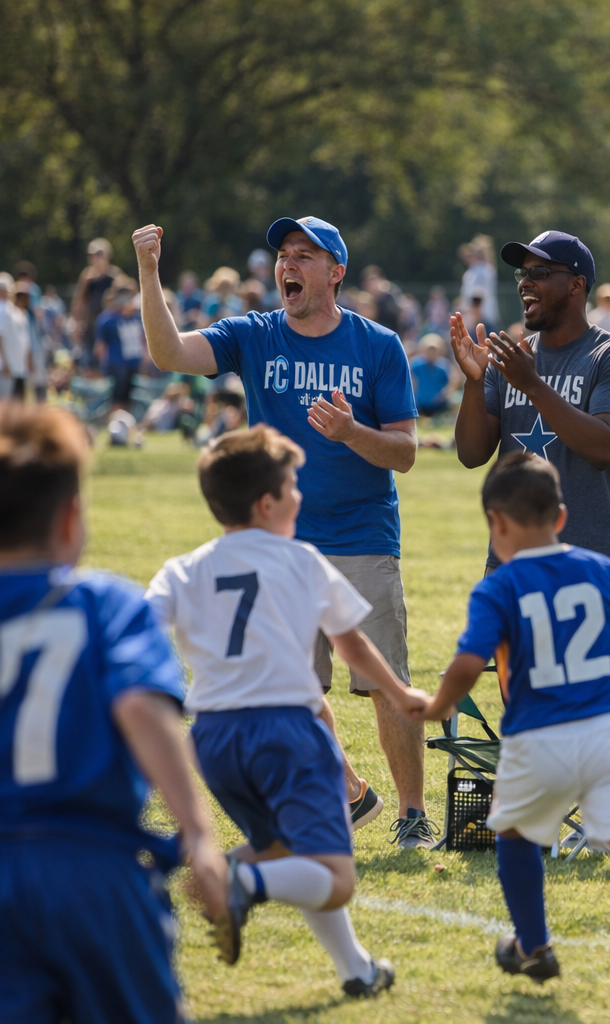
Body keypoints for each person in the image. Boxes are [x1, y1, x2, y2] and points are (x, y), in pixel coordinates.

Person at [132, 215, 431, 847]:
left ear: (336, 272)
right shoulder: (255, 335)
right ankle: (350, 795)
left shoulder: (377, 346)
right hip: (282, 544)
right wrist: (150, 271)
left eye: (304, 255)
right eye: (283, 256)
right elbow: (168, 354)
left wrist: (352, 434)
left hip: (361, 535)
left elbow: (404, 453)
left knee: (383, 682)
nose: (287, 265)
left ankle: (412, 814)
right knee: (287, 688)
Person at [409, 453, 610, 1023]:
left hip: (537, 737)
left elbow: (469, 660)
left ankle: (534, 946)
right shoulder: (603, 571)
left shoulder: (497, 587)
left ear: (496, 523)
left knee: (516, 834)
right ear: (563, 515)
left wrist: (438, 705)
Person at [149, 426, 424, 993]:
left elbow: (141, 628)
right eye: (294, 485)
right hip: (285, 733)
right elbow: (352, 647)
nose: (301, 495)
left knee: (287, 849)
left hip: (215, 741)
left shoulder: (185, 567)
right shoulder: (301, 560)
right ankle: (235, 882)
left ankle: (357, 971)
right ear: (268, 502)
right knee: (336, 878)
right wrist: (401, 695)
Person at [0, 403, 232, 1019]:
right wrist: (200, 834)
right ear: (72, 517)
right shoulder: (106, 604)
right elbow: (138, 706)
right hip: (93, 870)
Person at [451, 230, 610, 576]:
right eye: (522, 274)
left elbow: (604, 449)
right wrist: (475, 382)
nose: (525, 283)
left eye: (539, 273)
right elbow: (471, 454)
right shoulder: (511, 359)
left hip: (595, 557)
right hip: (511, 557)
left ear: (576, 285)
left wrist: (532, 385)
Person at [94, 283, 145, 418]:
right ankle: (116, 422)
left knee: (131, 396)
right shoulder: (107, 318)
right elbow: (100, 346)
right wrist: (103, 366)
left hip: (134, 363)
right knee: (117, 397)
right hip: (116, 365)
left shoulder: (137, 317)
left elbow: (143, 339)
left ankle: (126, 423)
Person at [70, 237, 122, 353]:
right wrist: (76, 324)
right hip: (91, 326)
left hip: (110, 326)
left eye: (99, 254)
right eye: (93, 254)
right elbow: (79, 301)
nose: (96, 258)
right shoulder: (87, 277)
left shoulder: (115, 276)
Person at [459, 235, 500, 330]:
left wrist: (474, 317)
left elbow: (477, 295)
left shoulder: (478, 271)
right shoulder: (488, 269)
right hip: (486, 315)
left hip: (479, 318)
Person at [0, 274, 29, 400]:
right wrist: (4, 362)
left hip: (12, 364)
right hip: (6, 365)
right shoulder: (3, 309)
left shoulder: (10, 309)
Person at [410, 333, 452, 417]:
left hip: (437, 403)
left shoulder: (443, 366)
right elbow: (412, 381)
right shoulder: (416, 365)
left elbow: (449, 384)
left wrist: (442, 396)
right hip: (419, 403)